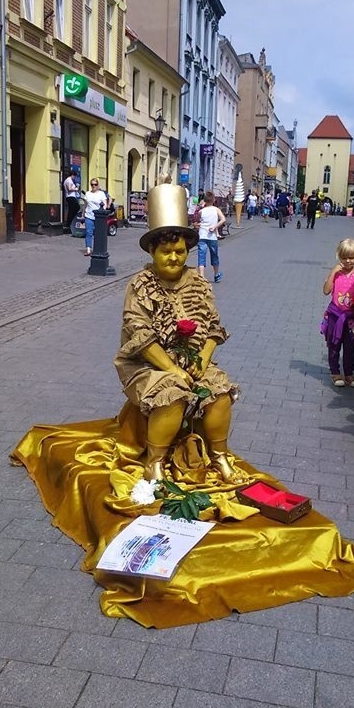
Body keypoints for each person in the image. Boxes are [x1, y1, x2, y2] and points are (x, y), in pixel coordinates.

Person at [115, 183, 238, 482]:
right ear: (153, 252)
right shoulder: (141, 285)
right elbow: (140, 336)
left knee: (219, 393)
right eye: (166, 252)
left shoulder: (198, 282)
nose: (174, 258)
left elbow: (212, 327)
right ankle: (154, 461)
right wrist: (171, 368)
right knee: (173, 395)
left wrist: (203, 360)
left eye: (180, 251)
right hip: (146, 365)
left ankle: (220, 455)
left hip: (192, 362)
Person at [321, 239, 354, 386]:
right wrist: (333, 272)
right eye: (344, 257)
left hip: (352, 318)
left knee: (350, 346)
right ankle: (335, 372)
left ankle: (349, 373)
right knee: (333, 345)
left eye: (351, 257)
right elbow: (326, 291)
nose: (347, 261)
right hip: (335, 315)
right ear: (339, 256)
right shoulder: (336, 274)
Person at [196, 191, 226, 283]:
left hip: (202, 236)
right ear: (213, 200)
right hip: (212, 237)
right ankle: (216, 275)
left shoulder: (201, 211)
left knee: (201, 256)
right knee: (214, 256)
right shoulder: (216, 210)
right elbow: (223, 219)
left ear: (204, 200)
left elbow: (197, 221)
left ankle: (201, 276)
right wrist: (215, 226)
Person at [83, 178, 109, 255]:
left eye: (95, 184)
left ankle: (98, 249)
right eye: (92, 184)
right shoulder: (88, 194)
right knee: (88, 232)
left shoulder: (101, 194)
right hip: (89, 215)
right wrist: (83, 213)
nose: (93, 186)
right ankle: (88, 249)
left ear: (98, 185)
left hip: (99, 217)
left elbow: (105, 204)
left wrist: (103, 212)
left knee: (98, 233)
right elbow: (85, 205)